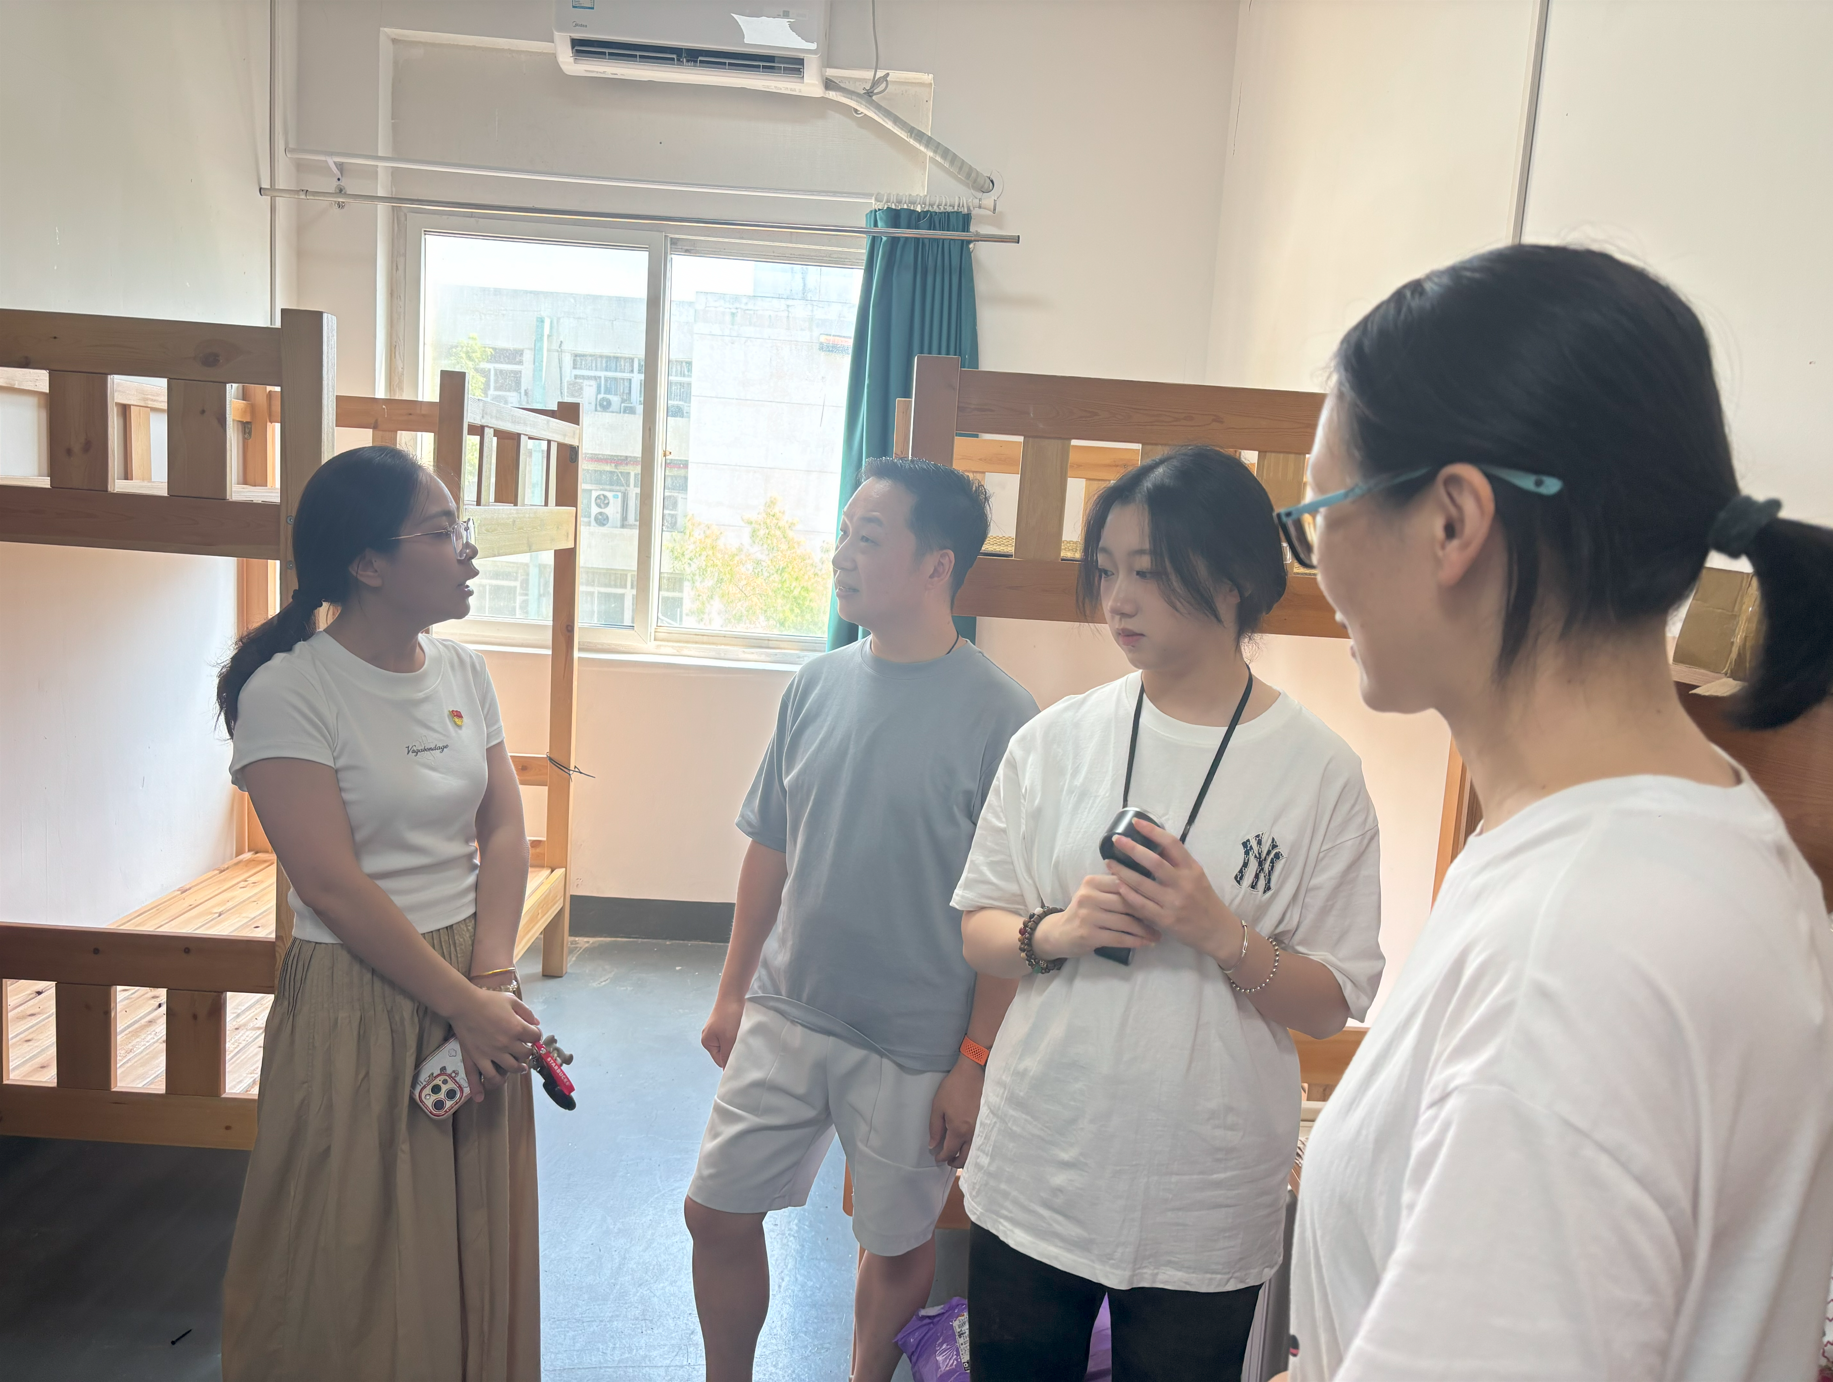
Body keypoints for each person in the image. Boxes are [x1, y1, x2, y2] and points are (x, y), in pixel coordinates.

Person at [1281, 244, 1833, 1380]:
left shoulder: (1577, 950)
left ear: (1452, 521)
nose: (1315, 558)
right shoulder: (1648, 840)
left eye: (1320, 508)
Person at [954, 446, 1386, 1381]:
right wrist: (1055, 933)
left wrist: (1221, 935)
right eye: (1107, 570)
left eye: (1148, 573)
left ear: (1233, 580)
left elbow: (1330, 1004)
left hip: (1205, 1194)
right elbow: (979, 928)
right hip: (1038, 1164)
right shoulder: (1054, 739)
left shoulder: (1319, 772)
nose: (1117, 600)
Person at [684, 457, 1038, 1382]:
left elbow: (1008, 909)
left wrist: (973, 1062)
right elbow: (770, 846)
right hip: (789, 1007)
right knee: (712, 1212)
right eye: (843, 532)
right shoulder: (815, 685)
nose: (840, 554)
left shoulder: (1004, 717)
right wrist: (732, 991)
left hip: (916, 1042)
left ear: (936, 566)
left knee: (893, 1243)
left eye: (868, 537)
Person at [217, 447, 541, 1382]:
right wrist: (466, 1002)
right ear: (367, 563)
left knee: (469, 1226)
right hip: (358, 989)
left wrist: (491, 978)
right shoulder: (289, 691)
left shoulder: (463, 669)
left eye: (460, 527)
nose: (467, 550)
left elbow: (504, 827)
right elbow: (330, 885)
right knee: (352, 1246)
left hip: (472, 976)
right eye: (441, 532)